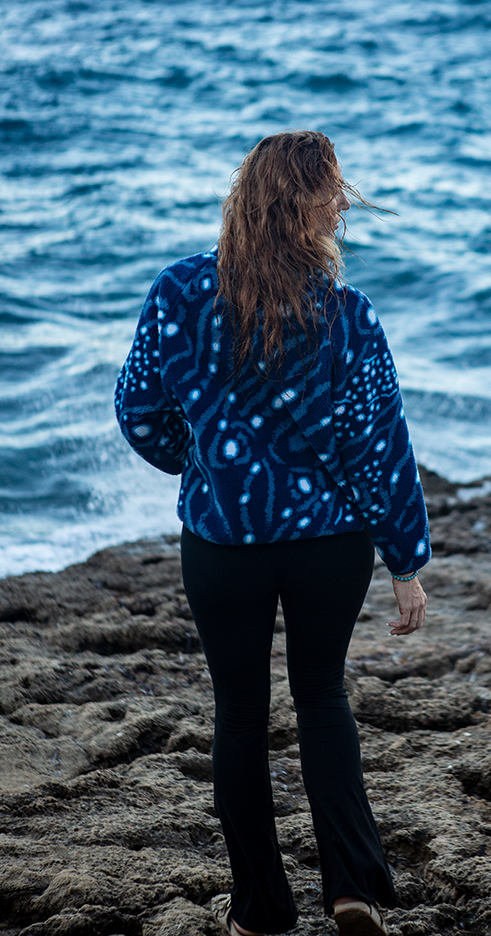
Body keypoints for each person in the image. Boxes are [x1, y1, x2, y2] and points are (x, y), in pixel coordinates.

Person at [115, 131, 430, 936]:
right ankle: (352, 890)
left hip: (223, 544)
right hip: (330, 544)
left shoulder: (181, 292)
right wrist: (405, 558)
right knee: (323, 698)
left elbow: (138, 411)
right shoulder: (349, 315)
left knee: (239, 717)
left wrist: (207, 463)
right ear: (312, 206)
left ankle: (260, 910)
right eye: (334, 193)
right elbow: (378, 444)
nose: (341, 206)